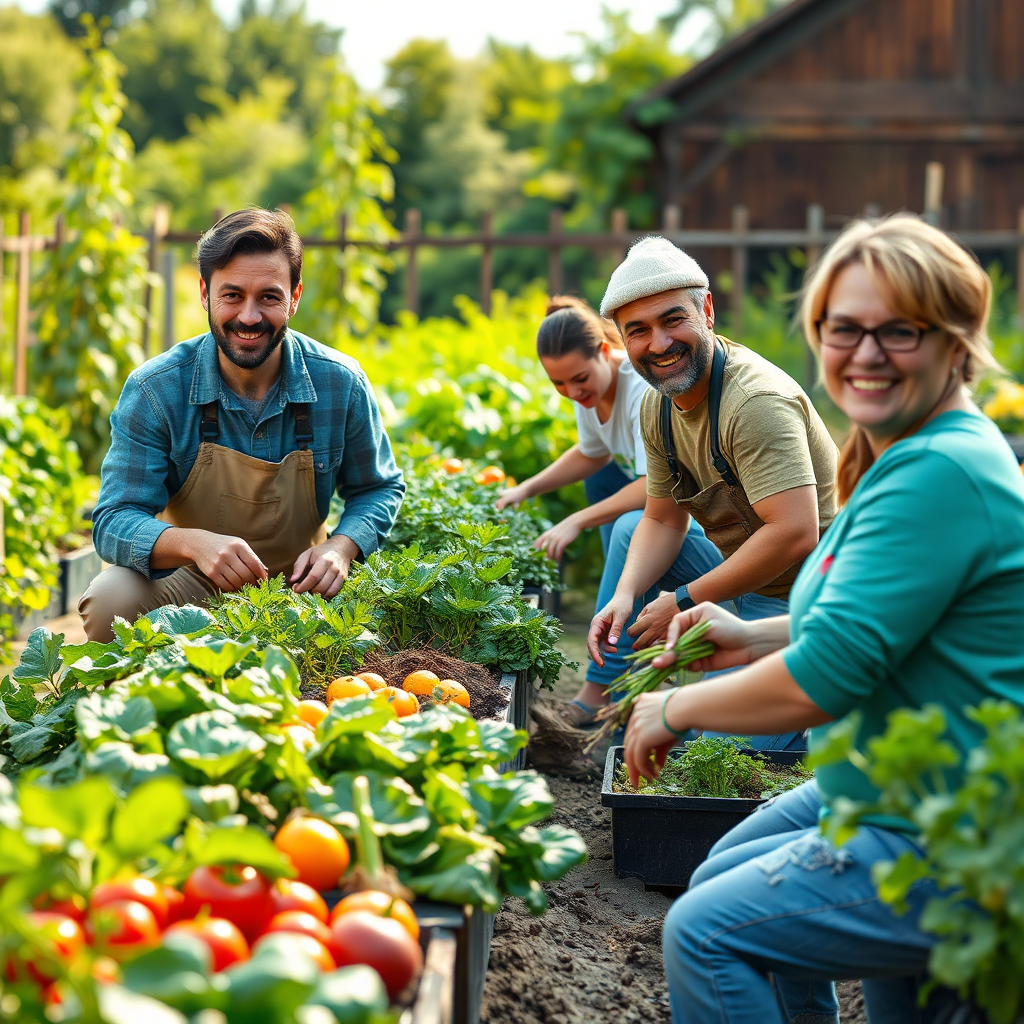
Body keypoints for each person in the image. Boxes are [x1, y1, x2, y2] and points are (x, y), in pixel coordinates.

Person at [624, 215, 1024, 1023]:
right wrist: (748, 634)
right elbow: (873, 630)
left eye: (899, 330)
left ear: (956, 342)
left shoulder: (936, 472)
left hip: (946, 822)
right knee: (716, 877)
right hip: (891, 781)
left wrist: (672, 706)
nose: (865, 353)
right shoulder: (907, 452)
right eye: (844, 329)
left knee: (704, 934)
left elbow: (828, 678)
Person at [80, 208, 405, 642]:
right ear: (204, 293)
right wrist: (194, 543)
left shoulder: (339, 382)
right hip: (194, 591)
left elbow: (378, 487)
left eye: (268, 297)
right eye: (232, 295)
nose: (249, 317)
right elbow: (114, 519)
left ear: (294, 296)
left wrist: (341, 547)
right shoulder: (156, 389)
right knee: (110, 602)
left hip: (305, 592)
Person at [587, 236, 838, 749]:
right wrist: (626, 595)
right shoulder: (657, 406)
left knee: (715, 753)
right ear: (622, 340)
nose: (658, 344)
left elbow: (795, 533)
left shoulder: (754, 403)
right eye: (639, 331)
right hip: (741, 575)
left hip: (800, 596)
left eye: (672, 320)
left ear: (706, 309)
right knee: (631, 527)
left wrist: (682, 600)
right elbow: (661, 519)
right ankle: (606, 697)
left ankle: (817, 708)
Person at [495, 296, 653, 724]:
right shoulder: (591, 391)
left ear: (605, 351)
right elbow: (592, 453)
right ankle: (628, 625)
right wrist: (527, 488)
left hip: (688, 521)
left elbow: (655, 487)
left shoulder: (641, 390)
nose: (573, 393)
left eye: (579, 379)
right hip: (657, 516)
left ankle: (597, 690)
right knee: (600, 482)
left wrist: (576, 520)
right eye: (559, 385)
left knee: (627, 526)